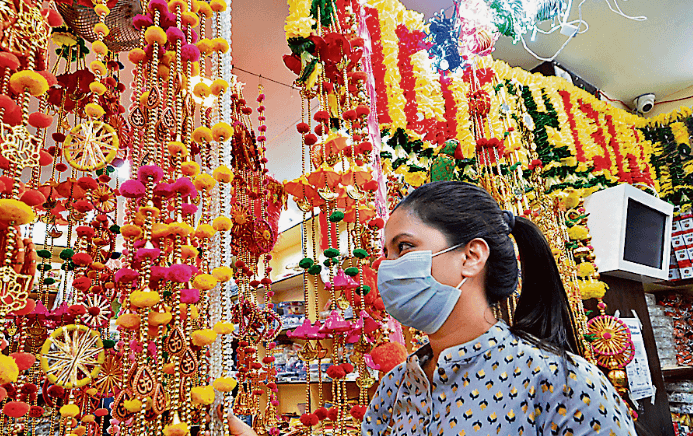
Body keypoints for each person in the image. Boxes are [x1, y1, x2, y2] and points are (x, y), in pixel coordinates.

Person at [230, 181, 637, 435]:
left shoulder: (560, 381)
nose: (386, 269)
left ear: (471, 256)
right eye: (385, 254)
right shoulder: (392, 391)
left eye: (404, 248)